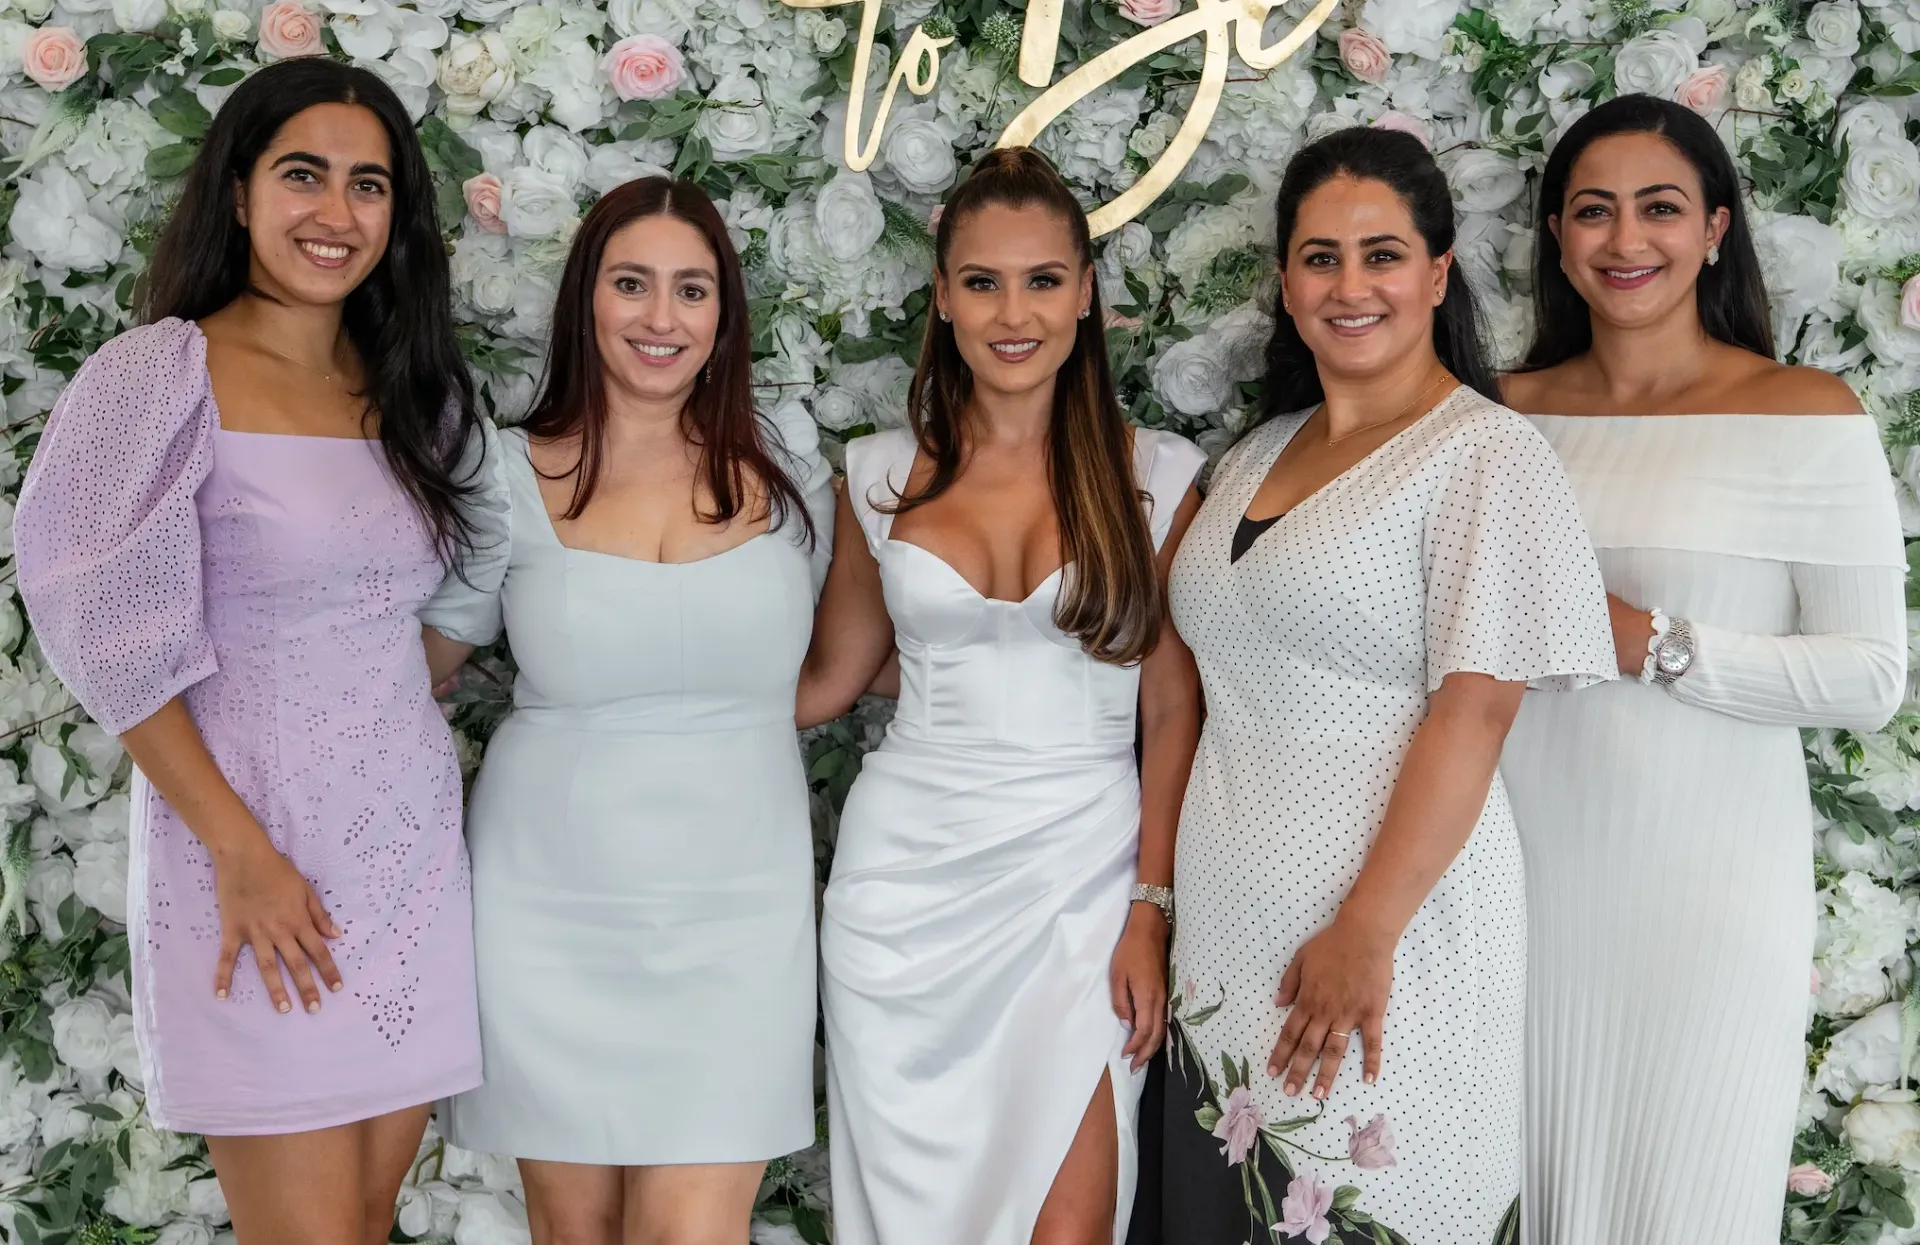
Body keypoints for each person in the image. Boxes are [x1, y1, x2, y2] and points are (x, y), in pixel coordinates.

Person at [13, 59, 484, 1244]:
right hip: (252, 862)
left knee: (366, 1227)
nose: (337, 213)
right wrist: (240, 853)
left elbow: (405, 627)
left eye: (368, 185)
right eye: (303, 176)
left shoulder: (414, 393)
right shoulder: (161, 373)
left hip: (408, 857)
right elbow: (99, 631)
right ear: (237, 192)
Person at [1150, 126, 1615, 1245]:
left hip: (1388, 936)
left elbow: (1476, 710)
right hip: (1224, 938)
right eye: (1320, 258)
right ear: (1285, 279)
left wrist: (1367, 928)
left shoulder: (1486, 456)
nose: (1348, 287)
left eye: (1382, 255)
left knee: (1381, 1208)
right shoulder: (1254, 455)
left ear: (1440, 271)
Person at [1499, 93, 1906, 1245]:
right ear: (1557, 237)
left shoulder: (1807, 415)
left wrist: (1660, 646)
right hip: (1515, 885)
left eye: (1660, 209)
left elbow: (1869, 676)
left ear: (1717, 228)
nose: (1627, 242)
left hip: (1709, 900)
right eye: (1594, 213)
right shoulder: (1498, 417)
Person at [796, 146, 1206, 1245]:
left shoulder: (1158, 474)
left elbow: (1171, 711)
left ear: (1084, 293)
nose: (1011, 311)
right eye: (982, 282)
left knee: (1068, 1228)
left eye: (1040, 279)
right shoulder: (880, 473)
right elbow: (830, 680)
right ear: (942, 297)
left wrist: (1149, 910)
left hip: (1084, 880)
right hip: (904, 897)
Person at [420, 178, 833, 1245]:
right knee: (575, 1231)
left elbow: (862, 657)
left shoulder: (790, 473)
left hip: (740, 908)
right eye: (632, 284)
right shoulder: (500, 472)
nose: (661, 318)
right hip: (549, 906)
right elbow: (428, 658)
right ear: (585, 300)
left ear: (724, 313)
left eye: (691, 290)